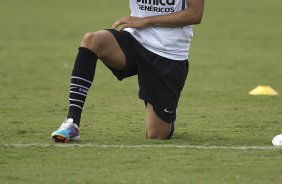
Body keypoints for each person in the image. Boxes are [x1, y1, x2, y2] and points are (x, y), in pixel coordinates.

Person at [51, 0, 205, 142]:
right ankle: (72, 123)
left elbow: (194, 14)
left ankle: (168, 113)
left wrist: (145, 21)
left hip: (169, 54)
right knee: (92, 40)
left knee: (156, 134)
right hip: (135, 39)